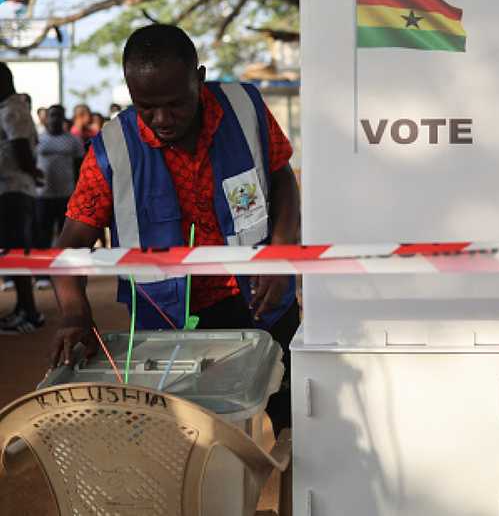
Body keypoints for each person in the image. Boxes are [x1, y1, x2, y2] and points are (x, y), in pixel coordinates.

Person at [51, 24, 302, 436]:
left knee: (296, 421)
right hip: (169, 326)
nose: (161, 119)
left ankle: (295, 499)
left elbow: (280, 177)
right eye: (146, 106)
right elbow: (69, 249)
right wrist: (75, 316)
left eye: (176, 104)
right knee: (186, 439)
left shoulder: (244, 108)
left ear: (199, 79)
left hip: (261, 298)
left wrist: (281, 253)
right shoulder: (112, 150)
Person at [0, 62, 46, 332]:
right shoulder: (10, 108)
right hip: (13, 188)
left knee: (16, 252)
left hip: (13, 190)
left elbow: (19, 147)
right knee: (13, 252)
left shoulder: (12, 110)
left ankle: (29, 313)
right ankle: (22, 308)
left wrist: (30, 171)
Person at [34, 104, 85, 290]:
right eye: (52, 115)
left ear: (63, 118)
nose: (55, 119)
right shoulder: (38, 140)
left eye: (59, 116)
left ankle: (66, 274)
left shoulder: (73, 141)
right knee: (43, 235)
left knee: (66, 236)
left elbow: (80, 167)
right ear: (47, 118)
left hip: (66, 195)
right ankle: (41, 275)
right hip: (43, 195)